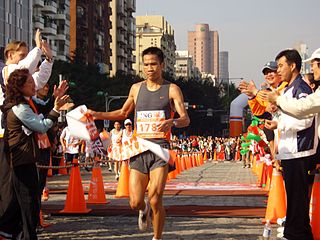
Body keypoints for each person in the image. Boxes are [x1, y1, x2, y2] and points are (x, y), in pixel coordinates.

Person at [87, 46, 190, 240]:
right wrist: (96, 114)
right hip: (138, 149)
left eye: (153, 64)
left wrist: (173, 121)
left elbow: (185, 118)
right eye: (146, 65)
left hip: (160, 150)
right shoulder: (136, 88)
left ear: (162, 65)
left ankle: (156, 237)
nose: (150, 68)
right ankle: (143, 210)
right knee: (135, 202)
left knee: (155, 197)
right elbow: (123, 113)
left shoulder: (172, 89)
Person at [0, 69, 68, 239]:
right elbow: (42, 126)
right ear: (20, 87)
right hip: (20, 160)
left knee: (23, 201)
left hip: (25, 159)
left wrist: (54, 99)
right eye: (30, 82)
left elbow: (43, 108)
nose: (34, 85)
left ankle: (11, 232)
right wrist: (56, 110)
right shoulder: (20, 108)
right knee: (28, 203)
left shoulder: (28, 101)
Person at [262, 49, 317, 240]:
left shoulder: (301, 88)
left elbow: (304, 120)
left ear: (292, 66)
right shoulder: (289, 88)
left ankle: (298, 234)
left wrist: (281, 123)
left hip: (299, 150)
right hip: (289, 150)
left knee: (298, 199)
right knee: (293, 198)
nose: (278, 71)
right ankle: (293, 232)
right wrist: (277, 122)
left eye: (280, 66)